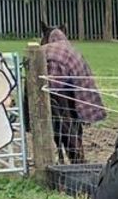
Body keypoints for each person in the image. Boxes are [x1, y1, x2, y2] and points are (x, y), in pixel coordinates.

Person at [41, 23, 105, 161]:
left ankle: (61, 157)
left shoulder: (45, 51)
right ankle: (76, 157)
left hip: (54, 89)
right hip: (70, 90)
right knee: (72, 125)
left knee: (60, 124)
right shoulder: (72, 51)